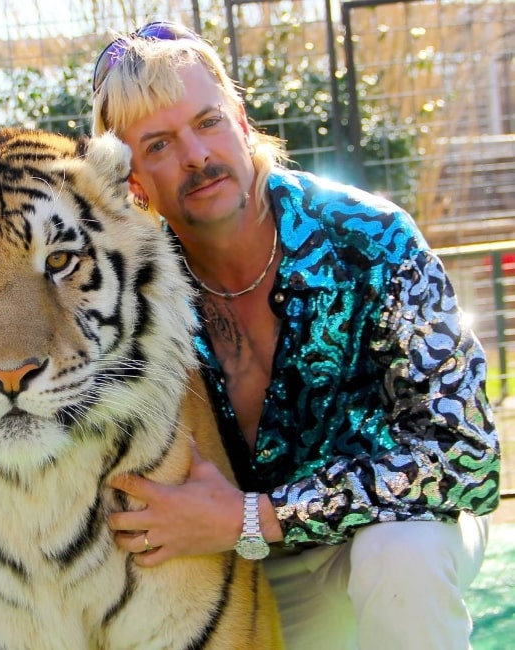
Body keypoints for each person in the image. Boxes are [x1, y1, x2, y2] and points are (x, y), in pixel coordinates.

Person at [90, 21, 501, 649]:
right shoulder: (129, 291)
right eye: (159, 144)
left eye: (207, 122)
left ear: (242, 121)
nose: (196, 156)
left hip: (377, 537)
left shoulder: (372, 238)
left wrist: (255, 516)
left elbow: (467, 455)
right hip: (231, 568)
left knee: (403, 556)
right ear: (133, 183)